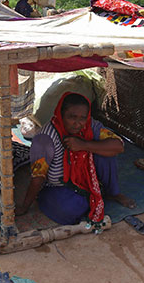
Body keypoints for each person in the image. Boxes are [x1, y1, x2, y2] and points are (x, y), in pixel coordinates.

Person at [16, 92, 135, 226]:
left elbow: (118, 146)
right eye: (72, 117)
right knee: (73, 209)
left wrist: (83, 145)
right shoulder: (45, 139)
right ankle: (87, 196)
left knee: (107, 152)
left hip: (85, 178)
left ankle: (112, 193)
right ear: (61, 114)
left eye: (82, 118)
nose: (77, 124)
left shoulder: (90, 126)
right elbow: (38, 178)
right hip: (58, 186)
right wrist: (25, 206)